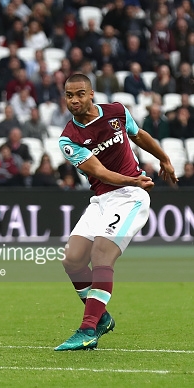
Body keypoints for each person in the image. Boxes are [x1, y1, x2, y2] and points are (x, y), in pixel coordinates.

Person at [54, 73, 178, 351]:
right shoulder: (68, 139)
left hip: (130, 198)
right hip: (102, 198)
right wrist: (134, 178)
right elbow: (98, 172)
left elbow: (139, 135)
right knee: (72, 261)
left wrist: (164, 158)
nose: (74, 100)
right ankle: (103, 318)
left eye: (80, 94)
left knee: (101, 255)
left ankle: (88, 328)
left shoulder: (117, 112)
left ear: (91, 93)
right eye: (69, 95)